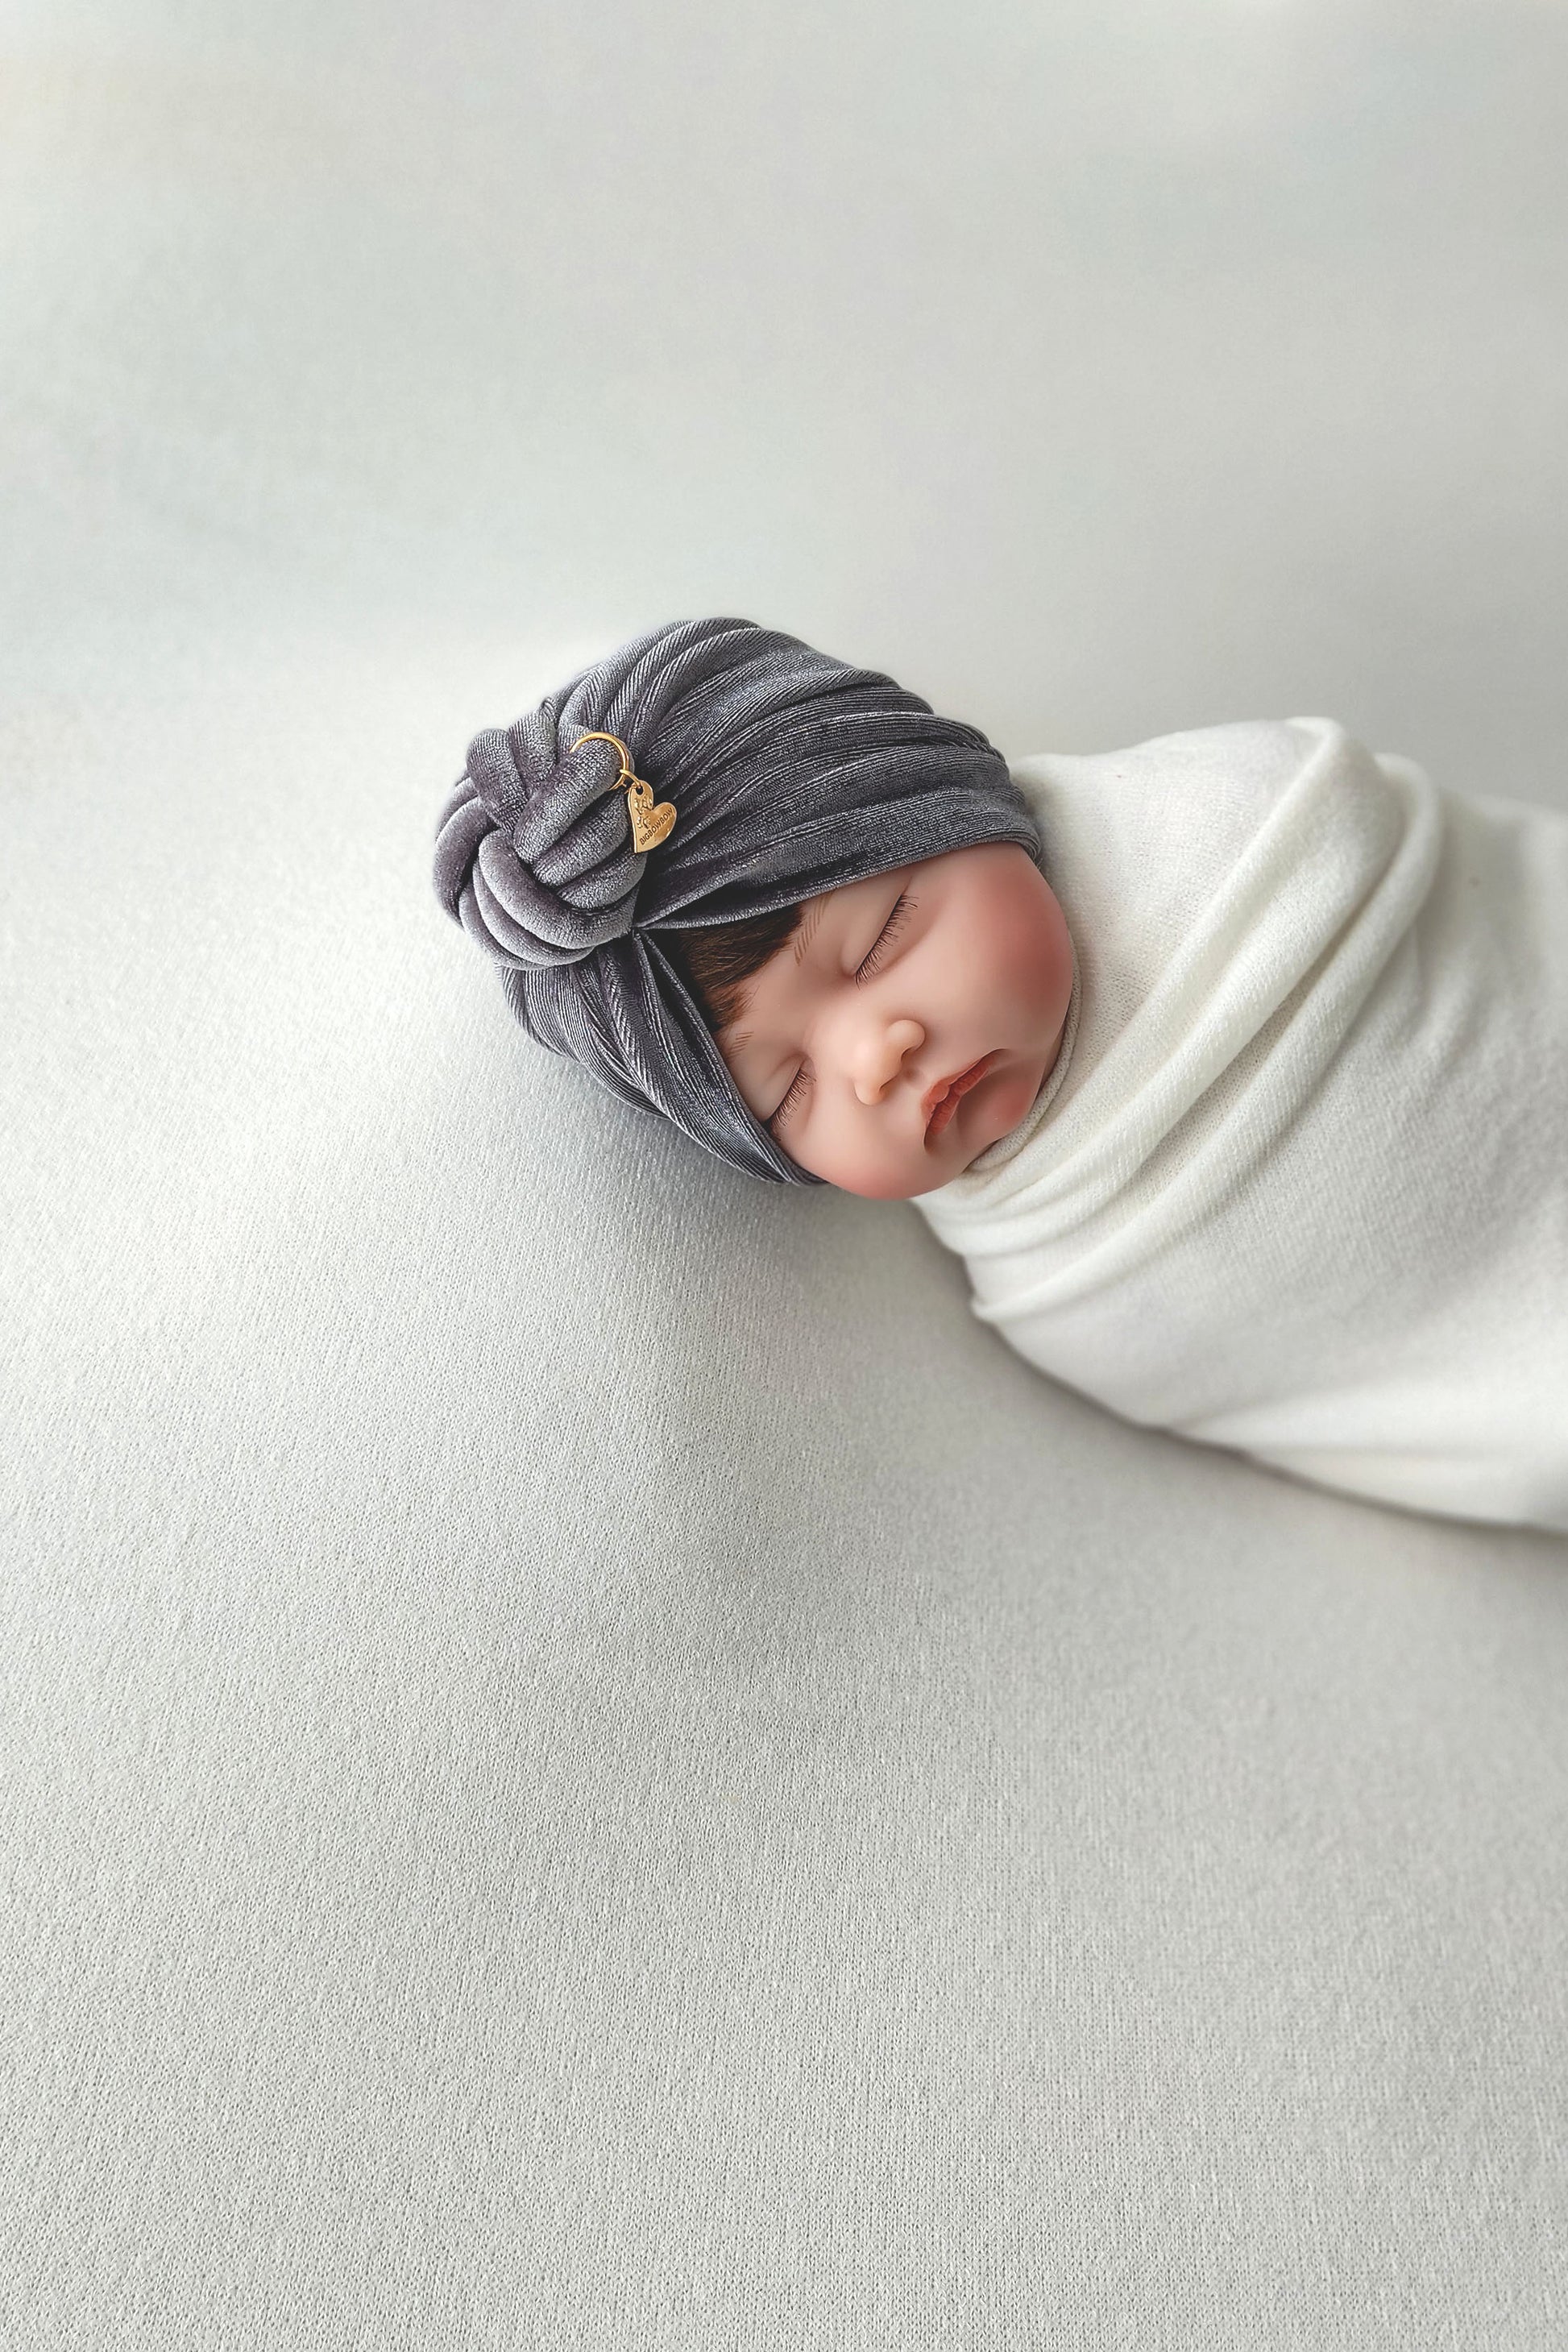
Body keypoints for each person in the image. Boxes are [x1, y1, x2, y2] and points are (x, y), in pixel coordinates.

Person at [433, 616, 1568, 1535]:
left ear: (960, 807)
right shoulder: (1049, 1276)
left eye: (878, 941)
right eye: (789, 1094)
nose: (873, 1057)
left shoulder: (1250, 837)